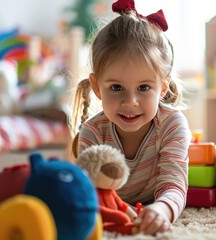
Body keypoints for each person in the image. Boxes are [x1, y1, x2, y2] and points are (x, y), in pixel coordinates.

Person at [68, 0, 191, 235]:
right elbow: (90, 192)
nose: (130, 102)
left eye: (144, 88)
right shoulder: (93, 131)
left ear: (162, 88)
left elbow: (174, 185)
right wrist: (121, 210)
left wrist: (161, 210)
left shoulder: (172, 125)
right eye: (116, 88)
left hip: (155, 199)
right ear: (96, 87)